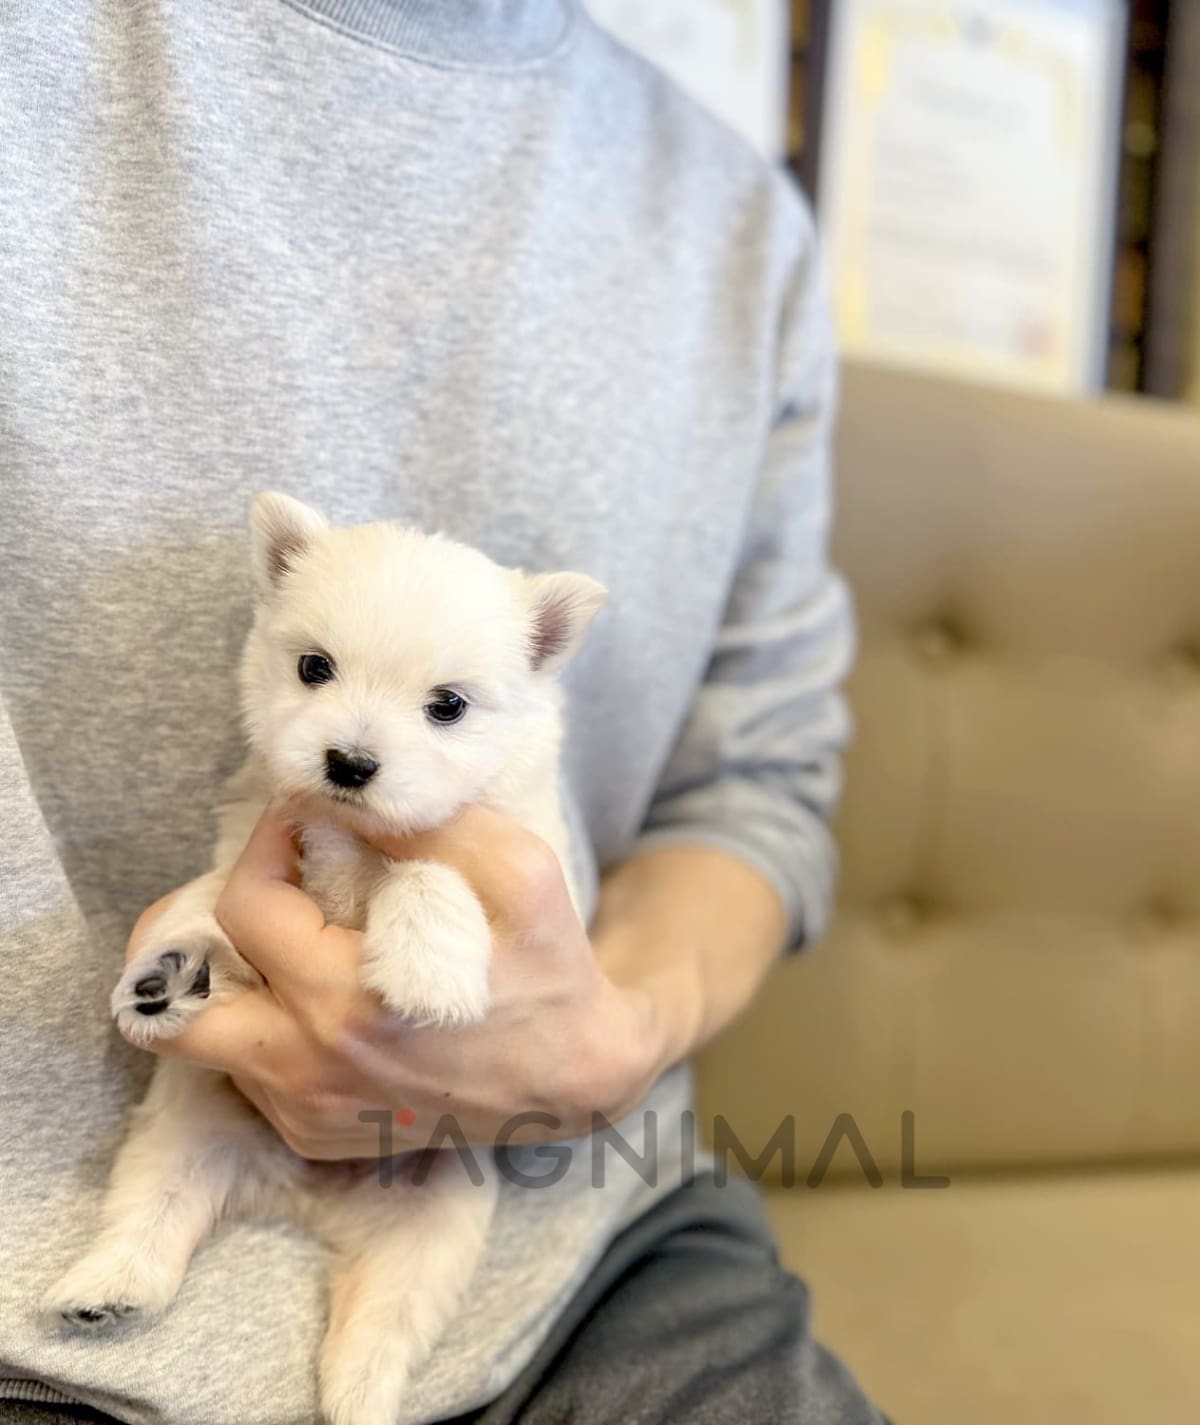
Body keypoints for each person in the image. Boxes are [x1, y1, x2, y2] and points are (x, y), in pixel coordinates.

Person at [0, 1, 882, 1422]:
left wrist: (609, 1040)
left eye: (441, 705)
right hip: (29, 1262)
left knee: (415, 1287)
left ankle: (368, 1376)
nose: (355, 745)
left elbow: (759, 780)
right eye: (316, 675)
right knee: (174, 1150)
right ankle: (139, 1257)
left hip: (586, 1228)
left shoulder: (745, 230)